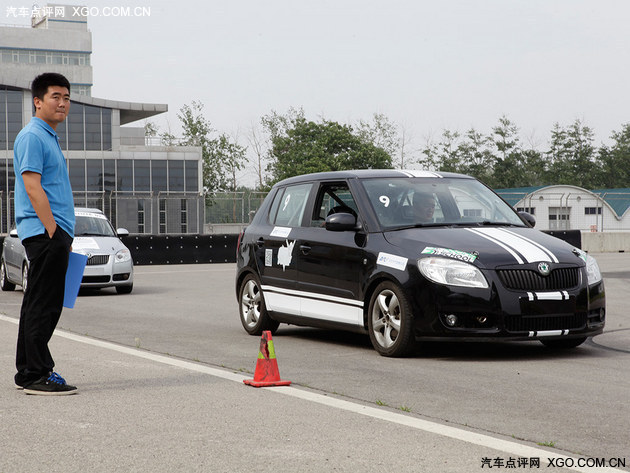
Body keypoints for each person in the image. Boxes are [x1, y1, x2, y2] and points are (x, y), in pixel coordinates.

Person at [13, 73, 77, 395]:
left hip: (50, 233)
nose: (63, 102)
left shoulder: (48, 136)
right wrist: (53, 231)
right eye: (56, 96)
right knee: (45, 305)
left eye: (66, 97)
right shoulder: (33, 137)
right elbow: (32, 185)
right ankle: (38, 373)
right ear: (38, 101)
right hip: (45, 233)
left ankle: (27, 371)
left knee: (37, 303)